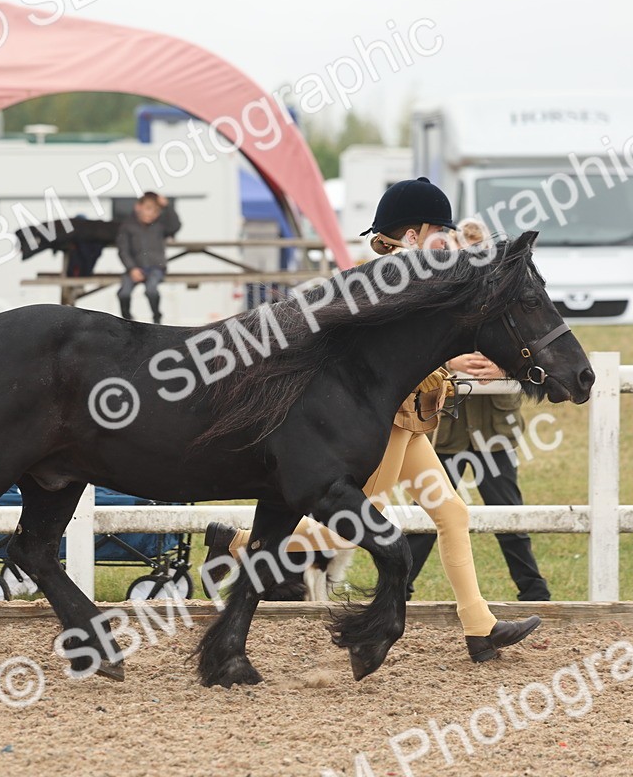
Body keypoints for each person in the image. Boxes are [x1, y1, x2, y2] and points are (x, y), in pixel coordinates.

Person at [203, 177, 541, 663]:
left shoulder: (418, 276)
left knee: (451, 512)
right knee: (349, 529)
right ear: (414, 231)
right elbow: (395, 356)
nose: (443, 238)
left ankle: (479, 626)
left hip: (413, 420)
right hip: (388, 421)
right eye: (437, 229)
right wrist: (450, 363)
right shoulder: (391, 282)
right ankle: (235, 543)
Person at [427, 219, 552, 602]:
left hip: (494, 431)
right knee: (429, 515)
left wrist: (503, 367)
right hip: (448, 428)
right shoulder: (441, 295)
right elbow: (422, 349)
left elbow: (532, 341)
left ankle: (534, 592)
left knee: (508, 515)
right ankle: (402, 590)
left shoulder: (508, 295)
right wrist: (453, 363)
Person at [116, 191, 180, 324]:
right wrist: (132, 268)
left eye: (156, 211)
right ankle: (127, 320)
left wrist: (167, 207)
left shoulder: (160, 226)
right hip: (134, 268)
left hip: (156, 267)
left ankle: (156, 317)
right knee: (123, 293)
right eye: (148, 209)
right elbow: (123, 250)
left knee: (151, 290)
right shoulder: (127, 227)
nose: (152, 214)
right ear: (138, 207)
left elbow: (175, 226)